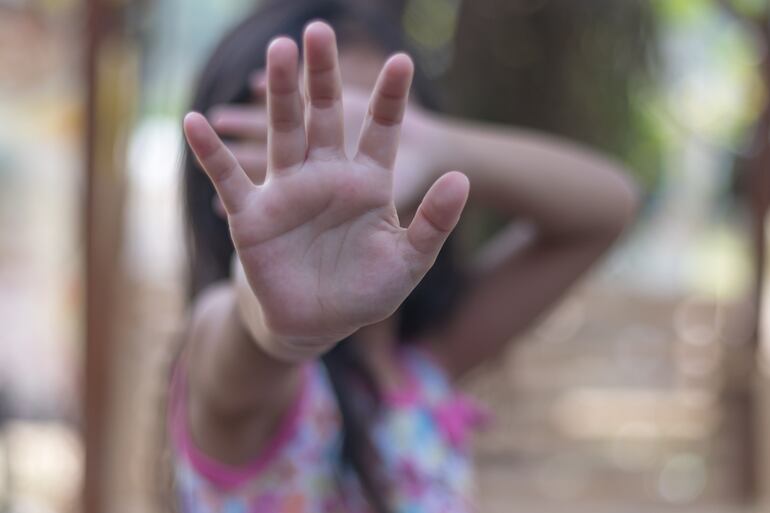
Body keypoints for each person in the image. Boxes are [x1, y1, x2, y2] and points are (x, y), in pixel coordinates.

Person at [172, 1, 639, 512]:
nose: (349, 167)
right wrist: (279, 327)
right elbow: (245, 332)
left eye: (378, 126)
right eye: (316, 132)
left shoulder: (425, 360)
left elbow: (610, 204)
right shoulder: (236, 361)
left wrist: (434, 143)